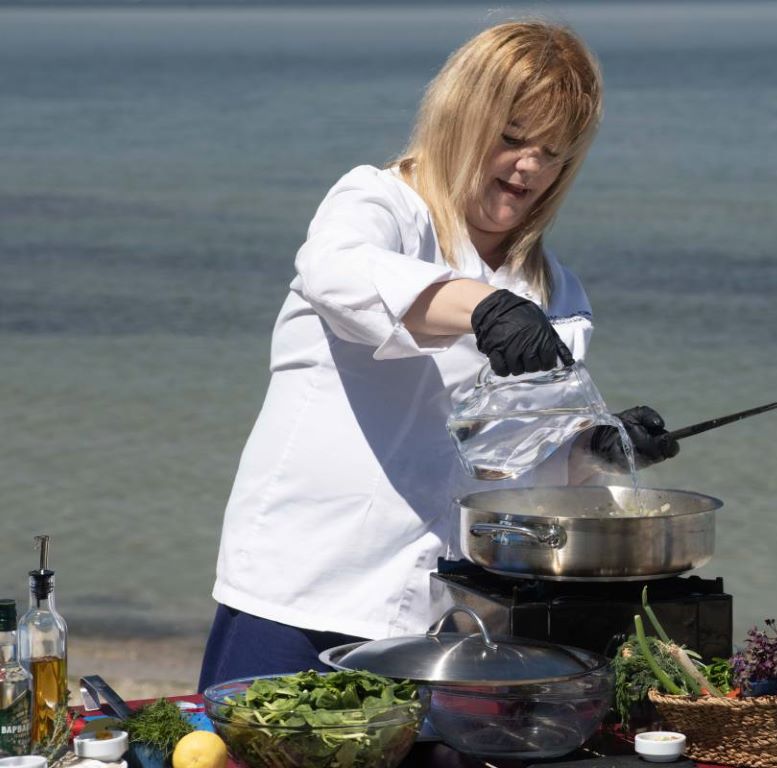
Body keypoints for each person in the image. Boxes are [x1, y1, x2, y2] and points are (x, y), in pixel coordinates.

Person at [198, 20, 679, 691]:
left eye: (552, 152)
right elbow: (335, 274)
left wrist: (595, 446)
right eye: (511, 137)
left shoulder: (553, 288)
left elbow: (513, 461)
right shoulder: (379, 205)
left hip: (450, 615)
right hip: (306, 587)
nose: (530, 167)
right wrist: (482, 309)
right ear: (460, 117)